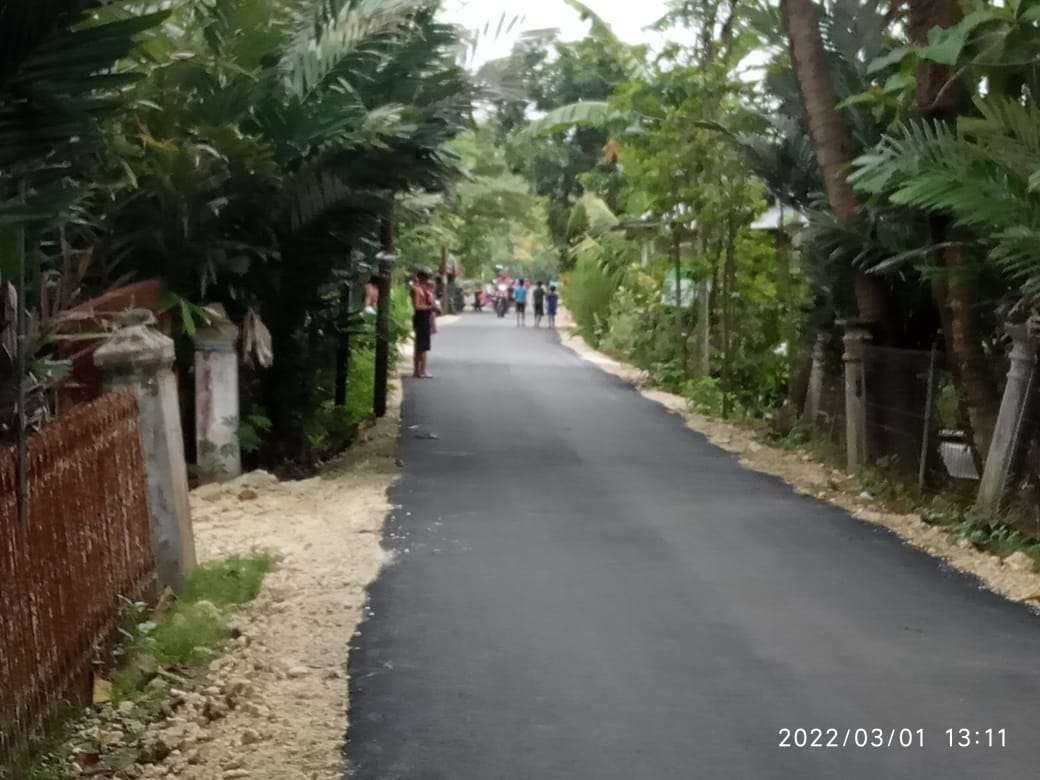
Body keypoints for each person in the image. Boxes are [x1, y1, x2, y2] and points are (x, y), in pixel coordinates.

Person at [410, 269, 435, 378]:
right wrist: (430, 307)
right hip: (420, 318)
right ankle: (419, 370)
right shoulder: (416, 290)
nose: (427, 280)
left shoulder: (425, 290)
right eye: (425, 277)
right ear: (422, 278)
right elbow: (416, 306)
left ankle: (421, 370)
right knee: (420, 346)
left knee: (423, 346)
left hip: (425, 317)